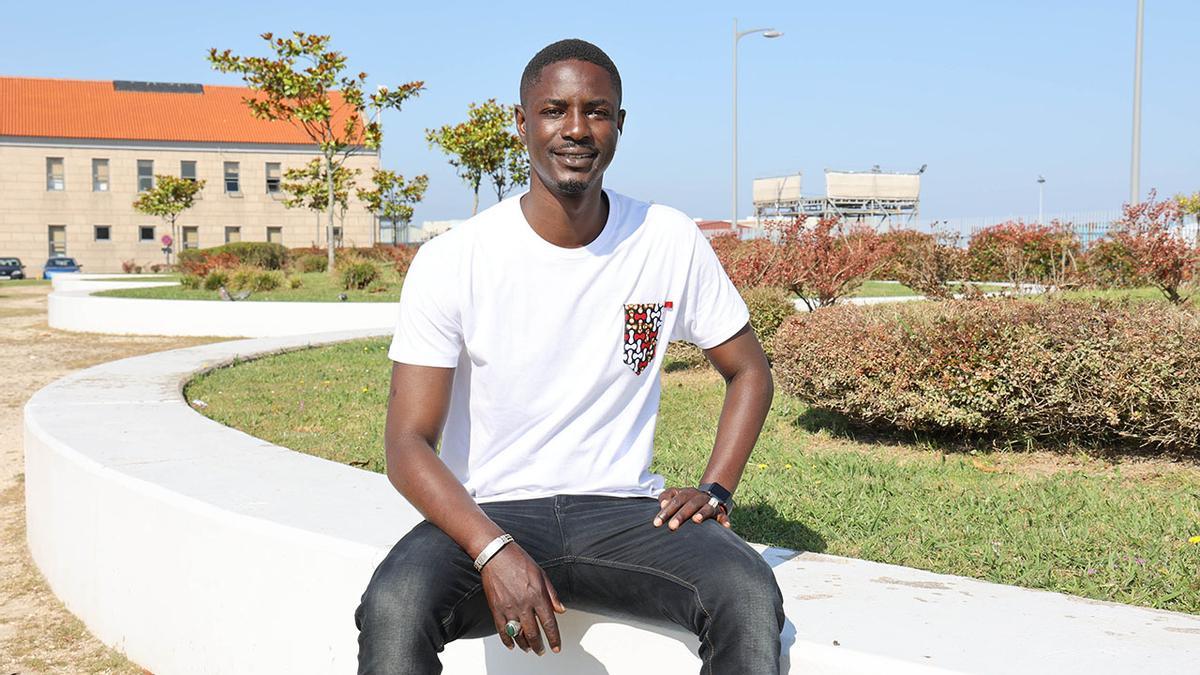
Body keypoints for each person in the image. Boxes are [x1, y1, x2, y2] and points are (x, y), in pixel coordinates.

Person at [355, 38, 785, 674]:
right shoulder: (454, 259)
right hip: (489, 511)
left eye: (598, 111)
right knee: (395, 604)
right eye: (554, 110)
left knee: (747, 593)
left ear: (620, 124)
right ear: (522, 122)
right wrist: (491, 549)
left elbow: (749, 370)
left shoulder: (666, 238)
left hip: (625, 516)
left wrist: (717, 489)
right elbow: (407, 443)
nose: (577, 129)